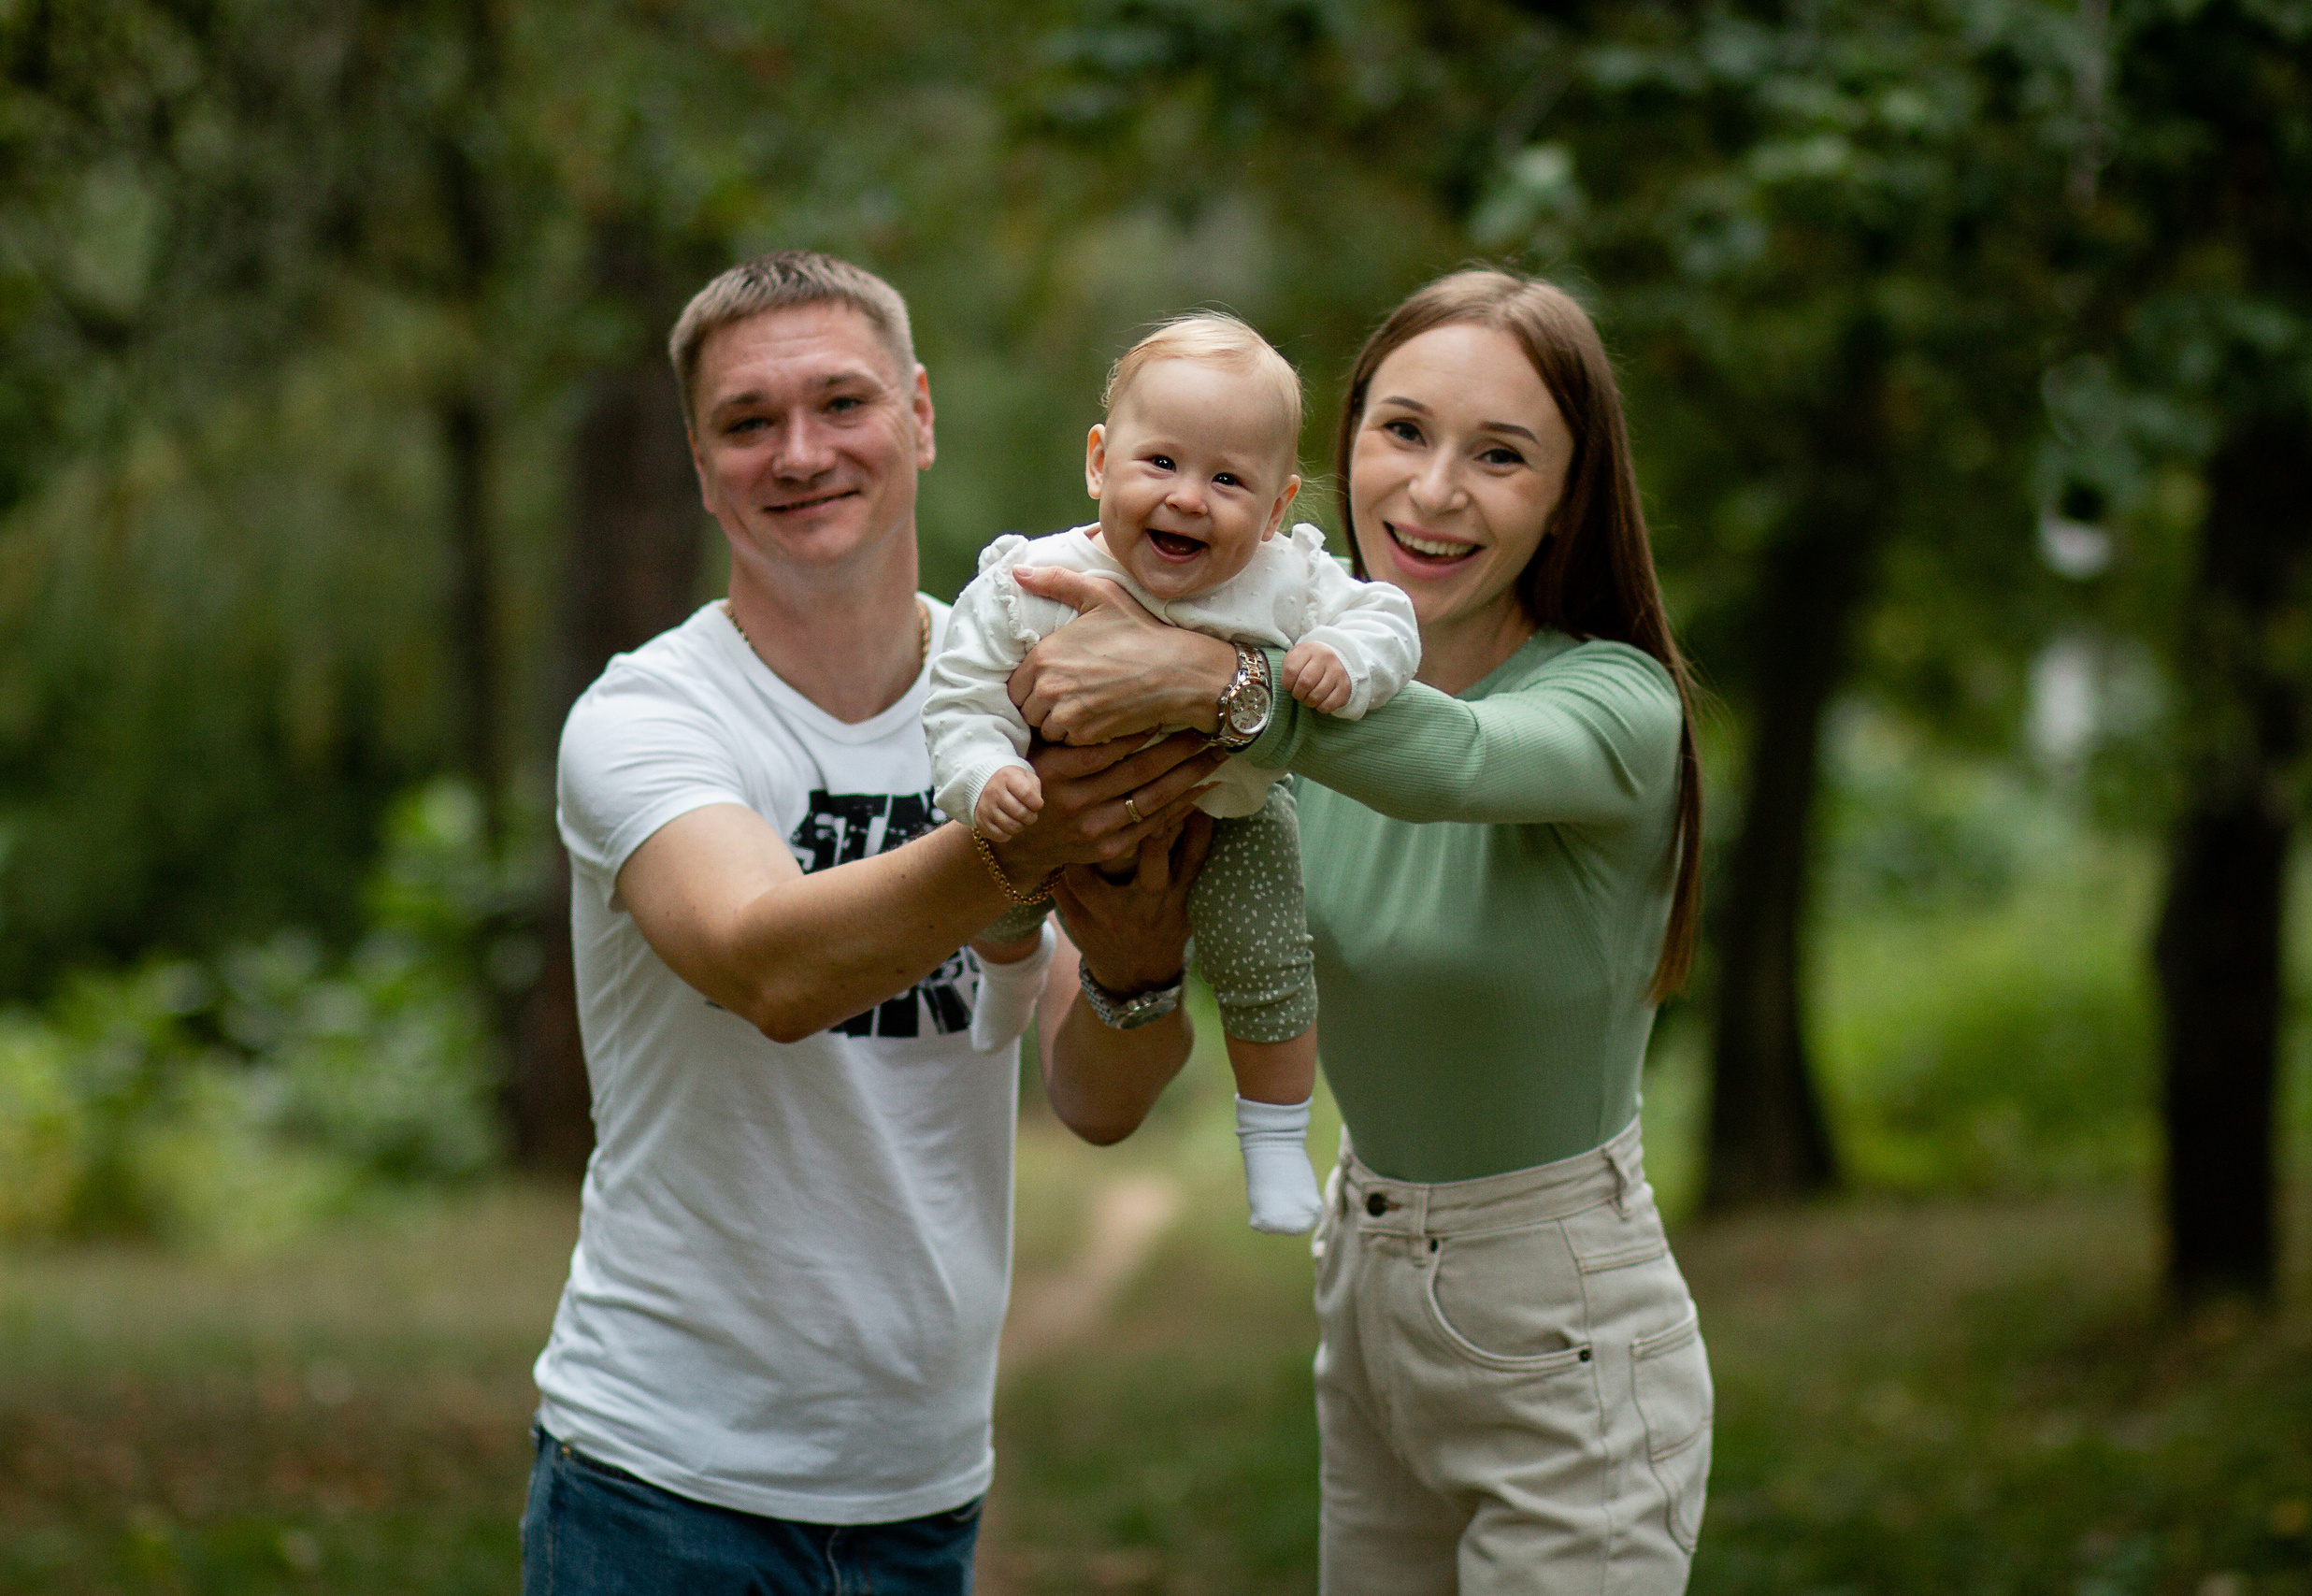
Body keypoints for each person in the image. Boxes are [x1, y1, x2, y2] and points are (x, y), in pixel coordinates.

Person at [520, 249, 1216, 1596]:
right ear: (701, 458)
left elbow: (1102, 1093)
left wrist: (1139, 957)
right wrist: (1053, 827)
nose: (800, 452)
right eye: (747, 421)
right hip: (660, 1484)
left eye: (842, 403)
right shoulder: (646, 716)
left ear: (920, 416)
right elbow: (770, 963)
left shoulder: (1029, 696)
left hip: (922, 1487)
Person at [1009, 267, 1714, 1594]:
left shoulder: (1614, 704)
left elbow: (1450, 761)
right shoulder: (1267, 722)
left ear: (1567, 494)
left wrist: (1213, 679)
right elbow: (1114, 1063)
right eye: (1402, 431)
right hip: (1366, 1285)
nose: (1434, 492)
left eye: (1501, 455)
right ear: (1337, 453)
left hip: (1564, 1317)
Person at [926, 312, 1418, 1235]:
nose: (1190, 498)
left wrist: (1344, 660)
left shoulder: (1285, 581)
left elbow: (1389, 620)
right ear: (1098, 462)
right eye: (1162, 464)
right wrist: (984, 768)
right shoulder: (1031, 580)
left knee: (1269, 967)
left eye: (1228, 479)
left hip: (1221, 819)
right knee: (985, 878)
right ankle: (1005, 978)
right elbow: (961, 696)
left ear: (1277, 508)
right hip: (1044, 805)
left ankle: (1274, 1138)